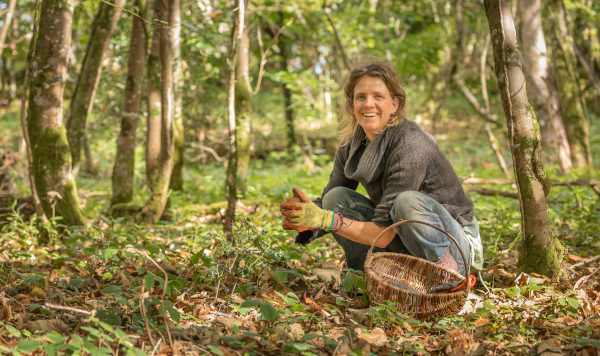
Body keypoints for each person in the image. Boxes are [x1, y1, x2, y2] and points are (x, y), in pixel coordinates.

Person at [280, 59, 483, 279]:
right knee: (334, 197)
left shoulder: (411, 144)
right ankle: (366, 274)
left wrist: (326, 220)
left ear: (394, 105)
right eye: (361, 97)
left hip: (454, 248)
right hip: (402, 235)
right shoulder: (351, 145)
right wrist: (306, 218)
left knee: (406, 202)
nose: (368, 104)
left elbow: (384, 234)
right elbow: (328, 204)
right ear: (352, 105)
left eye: (378, 96)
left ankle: (446, 278)